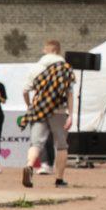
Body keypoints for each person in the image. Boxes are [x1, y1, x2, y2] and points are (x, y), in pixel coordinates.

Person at [20, 41, 72, 190]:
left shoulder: (36, 68)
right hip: (58, 109)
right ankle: (59, 180)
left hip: (39, 108)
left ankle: (29, 166)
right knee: (62, 145)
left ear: (45, 51)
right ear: (59, 51)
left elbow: (25, 91)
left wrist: (29, 106)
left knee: (36, 143)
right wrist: (71, 114)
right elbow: (69, 94)